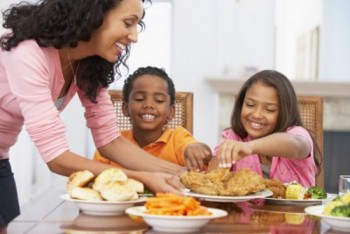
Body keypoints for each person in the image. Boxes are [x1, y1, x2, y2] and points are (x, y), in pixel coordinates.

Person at [0, 0, 192, 226]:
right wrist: (143, 177)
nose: (134, 37)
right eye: (128, 23)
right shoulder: (26, 50)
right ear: (93, 13)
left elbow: (110, 140)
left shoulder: (86, 64)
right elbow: (56, 157)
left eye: (136, 26)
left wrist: (183, 174)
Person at [212, 70, 322, 187]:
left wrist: (250, 146)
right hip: (241, 206)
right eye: (250, 105)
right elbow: (210, 182)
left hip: (296, 206)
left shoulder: (296, 134)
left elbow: (296, 145)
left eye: (269, 109)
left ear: (284, 112)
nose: (257, 114)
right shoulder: (232, 137)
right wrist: (223, 158)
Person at [93, 66, 212, 170]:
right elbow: (95, 180)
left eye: (159, 100)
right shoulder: (111, 144)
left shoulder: (178, 138)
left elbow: (196, 149)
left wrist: (197, 148)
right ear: (125, 108)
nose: (148, 105)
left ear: (171, 112)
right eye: (139, 98)